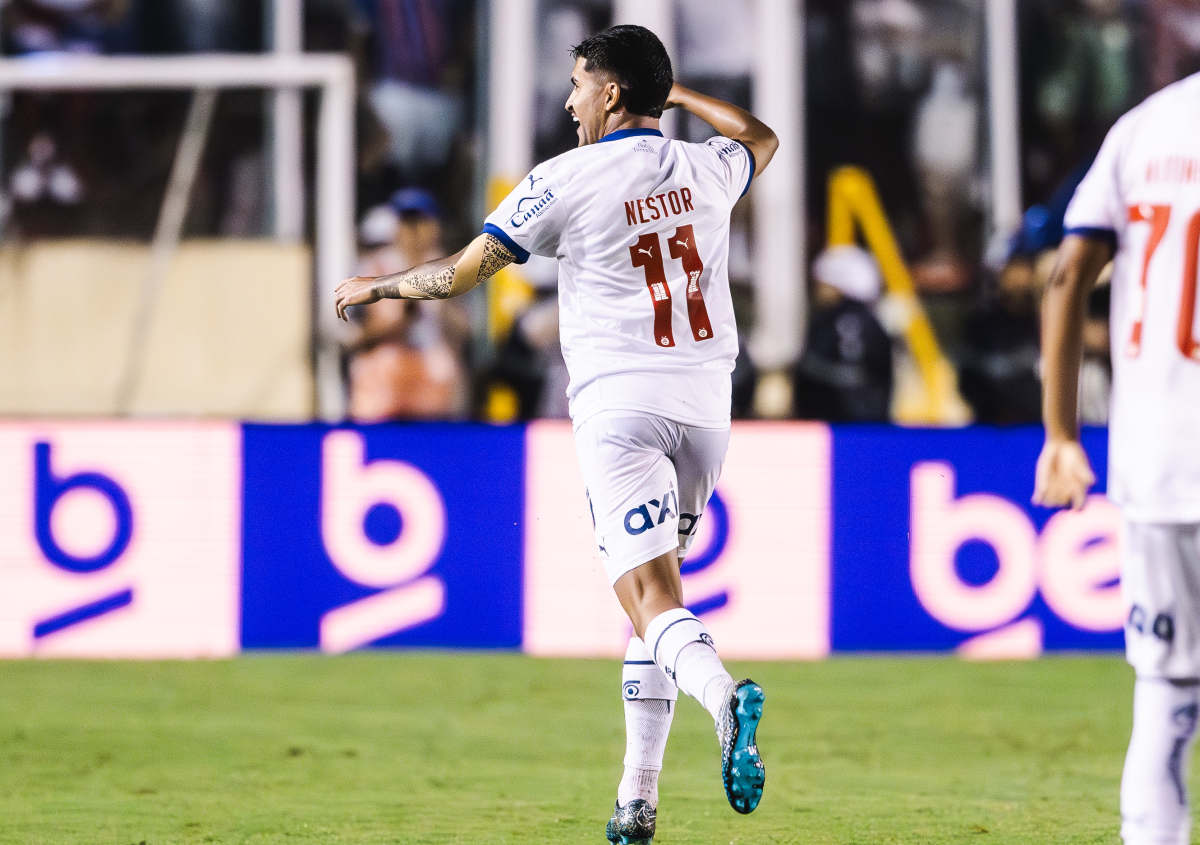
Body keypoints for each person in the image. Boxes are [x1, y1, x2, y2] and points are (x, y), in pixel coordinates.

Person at [335, 24, 777, 843]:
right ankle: (636, 798)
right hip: (706, 407)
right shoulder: (705, 168)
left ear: (610, 92)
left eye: (581, 82)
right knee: (657, 600)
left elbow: (464, 271)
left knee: (646, 597)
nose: (570, 99)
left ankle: (726, 699)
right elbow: (759, 136)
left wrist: (380, 283)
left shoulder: (564, 178)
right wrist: (675, 95)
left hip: (621, 407)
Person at [1033, 71, 1200, 845]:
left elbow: (1067, 274)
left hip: (1161, 457)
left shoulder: (1144, 128)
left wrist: (1061, 436)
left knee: (1166, 696)